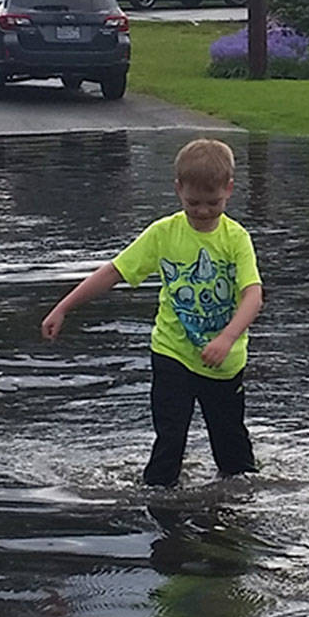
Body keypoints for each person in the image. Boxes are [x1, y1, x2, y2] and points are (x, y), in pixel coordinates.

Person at [40, 137, 264, 487]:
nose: (203, 211)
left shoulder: (236, 239)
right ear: (178, 190)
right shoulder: (163, 234)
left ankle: (236, 513)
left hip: (225, 361)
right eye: (193, 202)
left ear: (229, 190)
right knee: (169, 441)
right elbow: (114, 271)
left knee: (233, 454)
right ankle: (160, 510)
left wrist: (227, 337)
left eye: (213, 202)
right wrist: (63, 307)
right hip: (171, 352)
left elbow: (253, 295)